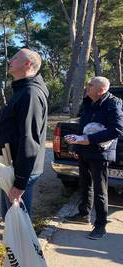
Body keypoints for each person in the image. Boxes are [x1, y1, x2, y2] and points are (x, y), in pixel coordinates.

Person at [0, 48, 49, 220]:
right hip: (12, 168)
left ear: (27, 64)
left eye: (15, 58)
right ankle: (13, 247)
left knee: (18, 224)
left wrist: (20, 182)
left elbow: (29, 139)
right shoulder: (23, 90)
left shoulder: (30, 93)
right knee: (11, 220)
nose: (10, 61)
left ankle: (20, 248)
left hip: (20, 172)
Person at [64, 77, 123, 240]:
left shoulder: (113, 103)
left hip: (100, 153)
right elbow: (82, 126)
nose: (87, 87)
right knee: (84, 183)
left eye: (90, 85)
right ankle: (83, 214)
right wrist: (77, 146)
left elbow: (116, 130)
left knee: (100, 189)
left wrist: (89, 140)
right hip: (84, 151)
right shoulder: (88, 101)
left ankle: (101, 225)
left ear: (101, 89)